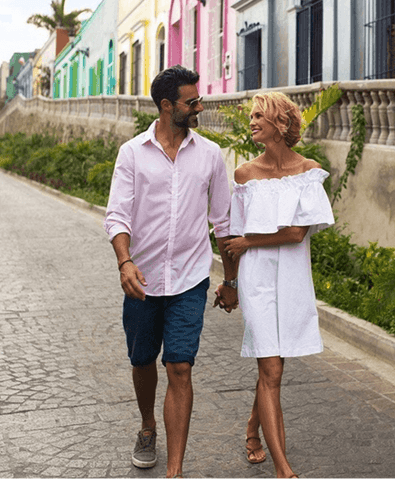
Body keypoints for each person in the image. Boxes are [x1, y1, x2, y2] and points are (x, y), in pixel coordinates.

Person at [104, 65, 238, 479]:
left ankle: (174, 471)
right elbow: (117, 216)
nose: (200, 106)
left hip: (189, 279)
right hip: (141, 280)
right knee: (142, 360)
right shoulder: (132, 153)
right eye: (192, 101)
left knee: (180, 367)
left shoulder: (211, 155)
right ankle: (148, 426)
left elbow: (225, 223)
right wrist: (125, 261)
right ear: (167, 106)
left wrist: (230, 281)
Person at [223, 91, 334, 479]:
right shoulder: (244, 175)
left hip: (291, 279)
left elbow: (295, 233)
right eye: (251, 116)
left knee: (275, 366)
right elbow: (229, 237)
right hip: (255, 280)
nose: (251, 122)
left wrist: (251, 240)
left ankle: (253, 428)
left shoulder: (308, 172)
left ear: (280, 124)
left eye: (258, 116)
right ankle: (284, 471)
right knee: (270, 367)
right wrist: (230, 283)